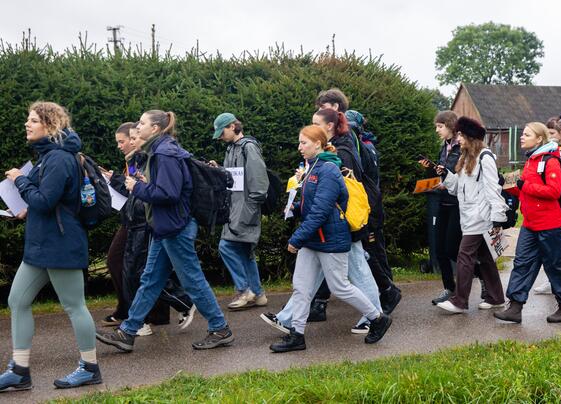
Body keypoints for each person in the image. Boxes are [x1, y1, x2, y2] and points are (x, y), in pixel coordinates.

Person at [96, 110, 233, 352]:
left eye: (142, 123)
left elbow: (168, 194)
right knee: (150, 280)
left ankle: (220, 328)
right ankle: (127, 332)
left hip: (175, 226)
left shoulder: (165, 153)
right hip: (165, 225)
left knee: (192, 280)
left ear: (156, 129)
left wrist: (137, 187)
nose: (138, 126)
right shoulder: (157, 152)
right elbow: (166, 188)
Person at [0, 102, 102, 391]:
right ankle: (19, 371)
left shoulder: (58, 158)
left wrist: (19, 180)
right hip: (42, 244)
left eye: (32, 120)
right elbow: (44, 201)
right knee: (17, 301)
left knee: (74, 305)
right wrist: (25, 207)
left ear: (50, 125)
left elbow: (44, 200)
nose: (26, 124)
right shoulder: (47, 157)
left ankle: (90, 367)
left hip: (60, 244)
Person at [269, 126, 392, 352]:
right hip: (313, 239)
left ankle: (377, 318)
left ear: (318, 144)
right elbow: (310, 203)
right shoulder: (313, 167)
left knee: (340, 286)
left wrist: (296, 239)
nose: (299, 147)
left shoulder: (329, 170)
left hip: (331, 240)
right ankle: (297, 335)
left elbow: (321, 211)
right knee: (301, 287)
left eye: (303, 143)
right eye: (300, 143)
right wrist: (294, 208)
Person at [314, 88, 401, 317]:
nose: (320, 113)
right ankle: (316, 304)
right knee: (350, 255)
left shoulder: (346, 135)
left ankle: (385, 295)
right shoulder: (341, 135)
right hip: (359, 201)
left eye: (324, 108)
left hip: (358, 202)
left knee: (364, 254)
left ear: (336, 108)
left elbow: (354, 174)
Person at [110, 124, 196, 335]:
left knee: (146, 274)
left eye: (128, 139)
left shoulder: (159, 155)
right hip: (139, 221)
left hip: (149, 223)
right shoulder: (138, 159)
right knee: (143, 274)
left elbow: (163, 193)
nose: (125, 144)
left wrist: (134, 184)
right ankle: (135, 322)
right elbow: (137, 189)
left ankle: (192, 309)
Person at [494, 122, 561, 323]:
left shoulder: (550, 161)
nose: (522, 137)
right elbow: (528, 191)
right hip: (530, 223)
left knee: (555, 264)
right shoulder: (532, 159)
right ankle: (515, 307)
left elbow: (553, 192)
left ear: (539, 139)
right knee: (522, 263)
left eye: (527, 134)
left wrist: (524, 185)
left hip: (550, 223)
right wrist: (512, 187)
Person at [435, 117, 507, 313]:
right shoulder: (465, 157)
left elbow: (494, 189)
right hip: (467, 216)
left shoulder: (485, 158)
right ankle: (496, 297)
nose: (458, 138)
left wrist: (498, 217)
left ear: (470, 137)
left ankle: (459, 301)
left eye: (461, 134)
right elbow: (457, 188)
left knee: (464, 255)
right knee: (484, 258)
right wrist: (446, 175)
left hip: (481, 217)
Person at [211, 113, 269, 310]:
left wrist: (251, 206)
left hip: (244, 208)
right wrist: (218, 169)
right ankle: (258, 294)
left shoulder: (248, 147)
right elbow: (234, 178)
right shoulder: (232, 148)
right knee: (245, 251)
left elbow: (259, 182)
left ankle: (245, 290)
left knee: (226, 247)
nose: (220, 137)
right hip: (236, 207)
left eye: (222, 132)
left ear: (233, 126)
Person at [420, 110, 462, 305]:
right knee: (439, 250)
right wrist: (430, 167)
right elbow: (442, 171)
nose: (437, 130)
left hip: (457, 204)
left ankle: (483, 276)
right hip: (442, 201)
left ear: (450, 126)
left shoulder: (461, 148)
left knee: (452, 249)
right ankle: (449, 289)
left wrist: (446, 182)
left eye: (440, 126)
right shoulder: (444, 147)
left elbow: (458, 174)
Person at [99, 122, 136, 328]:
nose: (119, 146)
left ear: (133, 139)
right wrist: (114, 178)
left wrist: (115, 180)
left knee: (116, 260)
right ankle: (152, 313)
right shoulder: (130, 161)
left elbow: (136, 189)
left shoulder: (137, 160)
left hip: (135, 220)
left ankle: (127, 311)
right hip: (131, 218)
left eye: (121, 142)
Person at [533, 113, 561, 295]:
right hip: (551, 205)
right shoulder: (551, 151)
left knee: (559, 248)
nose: (549, 137)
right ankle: (553, 281)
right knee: (553, 248)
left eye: (552, 133)